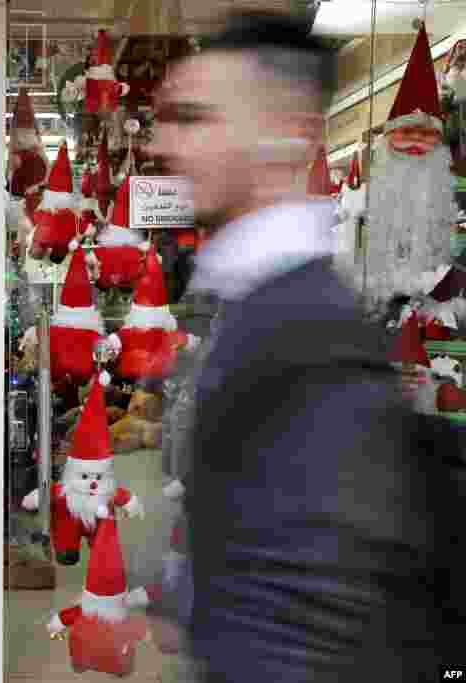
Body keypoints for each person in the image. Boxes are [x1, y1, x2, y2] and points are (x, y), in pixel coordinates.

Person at [149, 11, 443, 682]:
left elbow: (323, 616)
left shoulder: (313, 334)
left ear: (288, 135)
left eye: (195, 118)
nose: (167, 143)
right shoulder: (246, 301)